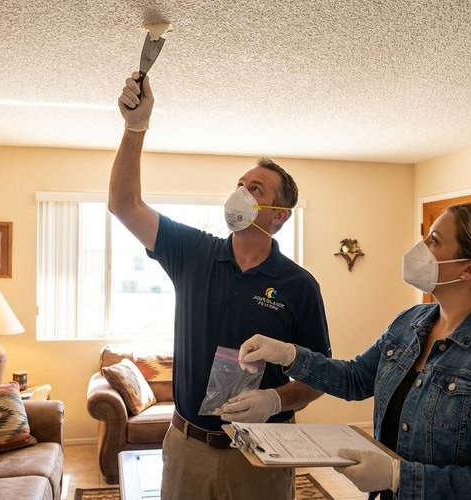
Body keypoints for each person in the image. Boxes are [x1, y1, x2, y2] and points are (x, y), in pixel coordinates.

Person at [111, 72, 332, 500]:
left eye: (255, 189)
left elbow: (317, 378)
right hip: (188, 445)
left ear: (279, 214)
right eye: (239, 185)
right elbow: (124, 205)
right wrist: (135, 127)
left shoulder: (299, 285)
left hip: (262, 451)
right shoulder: (193, 252)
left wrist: (274, 401)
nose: (241, 194)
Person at [239, 203, 471, 499]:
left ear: (470, 268)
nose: (420, 248)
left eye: (434, 240)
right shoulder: (412, 322)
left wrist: (398, 476)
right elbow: (357, 379)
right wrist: (291, 355)